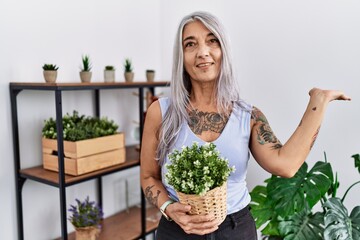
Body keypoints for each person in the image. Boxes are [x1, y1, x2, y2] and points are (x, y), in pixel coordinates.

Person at [140, 11, 351, 240]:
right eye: (190, 44)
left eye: (212, 41)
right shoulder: (161, 112)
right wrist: (169, 207)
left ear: (224, 50)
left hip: (235, 229)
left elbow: (286, 165)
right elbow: (148, 177)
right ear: (181, 56)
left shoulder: (247, 115)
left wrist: (317, 102)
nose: (203, 52)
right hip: (176, 231)